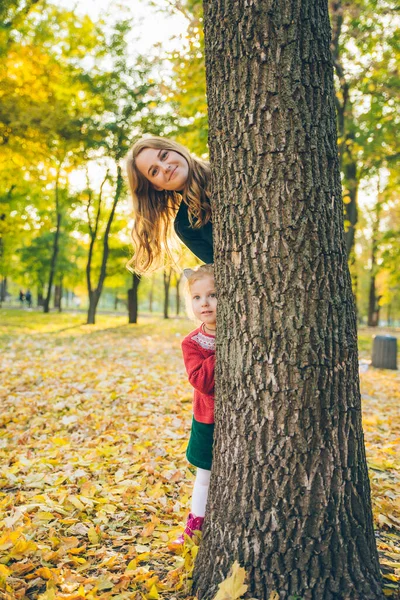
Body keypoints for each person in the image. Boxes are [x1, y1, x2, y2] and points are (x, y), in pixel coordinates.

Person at [171, 264, 216, 546]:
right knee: (204, 476)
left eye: (212, 295)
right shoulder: (192, 342)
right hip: (207, 420)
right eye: (197, 297)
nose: (205, 303)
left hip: (238, 423)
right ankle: (194, 527)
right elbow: (200, 381)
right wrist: (223, 348)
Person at [126, 136, 214, 271]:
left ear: (175, 150)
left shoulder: (226, 169)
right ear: (156, 186)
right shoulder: (185, 226)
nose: (165, 167)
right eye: (154, 171)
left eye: (164, 155)